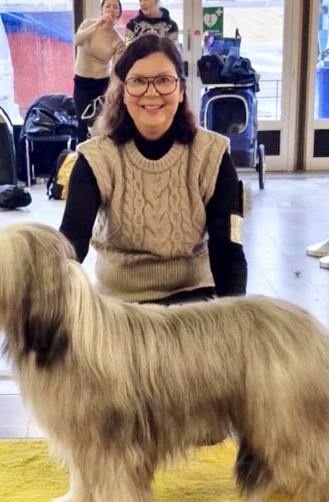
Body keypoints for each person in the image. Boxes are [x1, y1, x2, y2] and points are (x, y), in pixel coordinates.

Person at [59, 34, 247, 305]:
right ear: (122, 93)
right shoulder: (95, 158)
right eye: (137, 81)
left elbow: (229, 247)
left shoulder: (212, 155)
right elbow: (71, 244)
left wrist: (236, 318)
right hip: (119, 308)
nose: (151, 92)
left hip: (195, 304)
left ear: (181, 91)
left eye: (163, 80)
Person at [73, 0, 124, 143]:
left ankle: (101, 158)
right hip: (82, 82)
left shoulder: (118, 40)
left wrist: (113, 92)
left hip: (102, 83)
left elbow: (116, 69)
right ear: (101, 10)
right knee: (83, 123)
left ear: (119, 12)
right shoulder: (88, 24)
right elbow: (78, 40)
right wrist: (98, 24)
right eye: (108, 6)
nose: (112, 10)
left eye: (116, 7)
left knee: (102, 124)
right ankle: (81, 159)